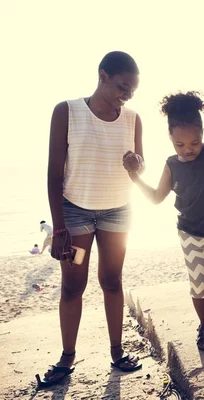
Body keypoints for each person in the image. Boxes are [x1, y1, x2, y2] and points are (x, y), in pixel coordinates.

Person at [37, 51, 144, 388]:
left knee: (112, 280)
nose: (126, 96)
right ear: (102, 76)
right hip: (76, 215)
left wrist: (136, 164)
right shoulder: (66, 111)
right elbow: (54, 174)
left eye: (131, 92)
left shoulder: (133, 118)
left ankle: (116, 352)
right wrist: (58, 228)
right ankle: (67, 358)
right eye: (122, 87)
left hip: (117, 212)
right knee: (73, 285)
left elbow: (140, 169)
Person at [124, 91, 204, 351]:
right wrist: (134, 177)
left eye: (194, 143)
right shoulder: (172, 165)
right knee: (199, 285)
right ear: (170, 139)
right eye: (180, 145)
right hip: (191, 234)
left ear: (202, 133)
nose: (188, 149)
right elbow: (156, 198)